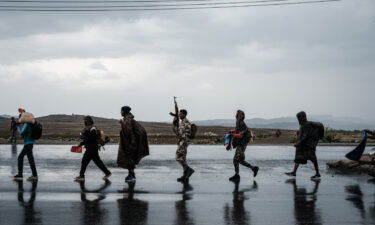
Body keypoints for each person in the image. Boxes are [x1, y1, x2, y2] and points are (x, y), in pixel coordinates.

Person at [117, 106, 149, 183]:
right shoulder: (129, 119)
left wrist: (122, 124)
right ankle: (131, 174)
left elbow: (128, 132)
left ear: (124, 111)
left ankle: (131, 175)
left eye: (121, 111)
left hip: (130, 143)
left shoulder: (128, 120)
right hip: (130, 143)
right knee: (129, 159)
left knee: (130, 159)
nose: (120, 112)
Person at [285, 111, 321, 180]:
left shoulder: (306, 125)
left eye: (299, 118)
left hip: (308, 146)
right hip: (304, 146)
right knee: (299, 158)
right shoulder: (303, 125)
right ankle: (294, 172)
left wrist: (298, 143)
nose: (298, 119)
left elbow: (305, 136)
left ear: (303, 118)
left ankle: (317, 173)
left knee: (313, 159)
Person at [74, 116, 112, 181]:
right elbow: (88, 139)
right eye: (85, 120)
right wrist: (81, 144)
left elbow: (92, 138)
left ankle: (81, 176)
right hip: (91, 148)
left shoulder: (93, 129)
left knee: (84, 161)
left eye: (86, 120)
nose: (85, 121)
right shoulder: (88, 128)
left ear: (90, 121)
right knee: (97, 162)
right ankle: (107, 173)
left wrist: (83, 137)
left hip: (92, 149)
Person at [229, 110, 259, 182]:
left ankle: (237, 175)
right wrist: (232, 131)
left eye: (237, 113)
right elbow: (237, 130)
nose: (235, 114)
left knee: (236, 159)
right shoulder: (238, 122)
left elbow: (240, 135)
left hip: (242, 144)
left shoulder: (242, 123)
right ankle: (253, 168)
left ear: (239, 115)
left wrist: (233, 135)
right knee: (240, 160)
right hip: (240, 144)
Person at [174, 109, 195, 182]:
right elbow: (178, 131)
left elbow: (187, 133)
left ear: (184, 114)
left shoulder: (186, 122)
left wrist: (182, 138)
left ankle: (189, 170)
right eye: (179, 114)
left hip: (184, 141)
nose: (179, 115)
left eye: (180, 114)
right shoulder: (182, 122)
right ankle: (185, 175)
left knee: (178, 157)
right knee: (183, 158)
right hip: (181, 141)